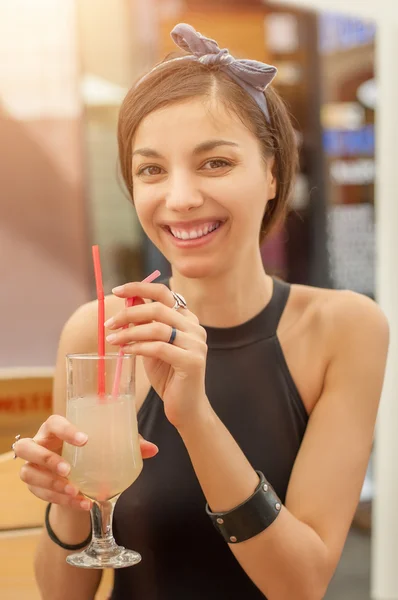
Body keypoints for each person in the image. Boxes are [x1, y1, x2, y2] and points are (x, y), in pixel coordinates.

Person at [14, 23, 388, 600]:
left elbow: (301, 584)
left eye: (214, 163)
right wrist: (68, 505)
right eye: (151, 169)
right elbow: (64, 595)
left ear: (270, 172)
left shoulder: (344, 328)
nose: (180, 197)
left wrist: (193, 414)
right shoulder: (99, 330)